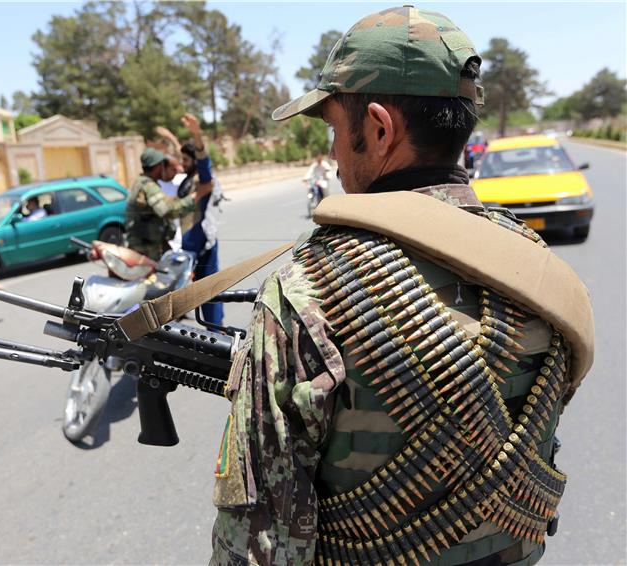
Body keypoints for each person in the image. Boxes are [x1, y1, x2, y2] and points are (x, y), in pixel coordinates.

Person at [209, 6, 592, 566]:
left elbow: (260, 536)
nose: (335, 157)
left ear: (380, 129)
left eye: (337, 131)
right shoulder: (535, 268)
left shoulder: (310, 285)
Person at [156, 115, 223, 326]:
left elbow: (203, 161)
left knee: (209, 292)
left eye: (186, 160)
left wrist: (197, 134)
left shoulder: (202, 178)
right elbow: (184, 154)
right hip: (186, 245)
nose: (182, 164)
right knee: (185, 292)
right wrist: (173, 138)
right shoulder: (187, 178)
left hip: (203, 245)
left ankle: (217, 332)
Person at [125, 147, 210, 261]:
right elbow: (167, 211)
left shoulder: (142, 182)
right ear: (158, 167)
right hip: (147, 251)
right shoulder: (149, 186)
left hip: (147, 247)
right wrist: (196, 196)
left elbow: (162, 204)